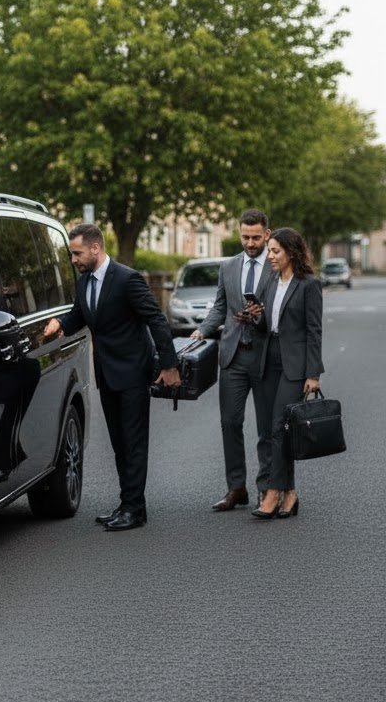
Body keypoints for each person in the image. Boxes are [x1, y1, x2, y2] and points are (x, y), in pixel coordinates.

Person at [43, 223, 180, 531]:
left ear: (95, 248)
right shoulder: (84, 283)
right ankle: (128, 504)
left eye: (77, 253)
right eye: (72, 254)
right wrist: (60, 324)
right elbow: (80, 315)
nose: (74, 259)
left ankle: (135, 509)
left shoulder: (127, 279)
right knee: (119, 442)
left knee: (133, 443)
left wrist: (169, 366)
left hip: (132, 372)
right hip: (106, 373)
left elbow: (156, 320)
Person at [190, 208, 275, 512]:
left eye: (255, 237)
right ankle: (236, 488)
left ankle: (267, 489)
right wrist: (202, 331)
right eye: (245, 237)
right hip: (233, 355)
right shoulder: (228, 267)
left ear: (267, 234)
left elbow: (283, 308)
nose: (250, 243)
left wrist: (262, 315)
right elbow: (220, 307)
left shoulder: (277, 265)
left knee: (267, 427)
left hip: (266, 355)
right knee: (230, 422)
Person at [243, 227, 324, 520]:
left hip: (295, 364)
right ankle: (290, 492)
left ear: (291, 252)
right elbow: (265, 325)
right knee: (275, 429)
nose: (271, 256)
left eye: (275, 251)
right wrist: (255, 318)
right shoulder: (269, 282)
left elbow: (314, 331)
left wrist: (313, 373)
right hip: (268, 359)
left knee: (280, 426)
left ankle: (273, 492)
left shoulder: (308, 285)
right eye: (270, 251)